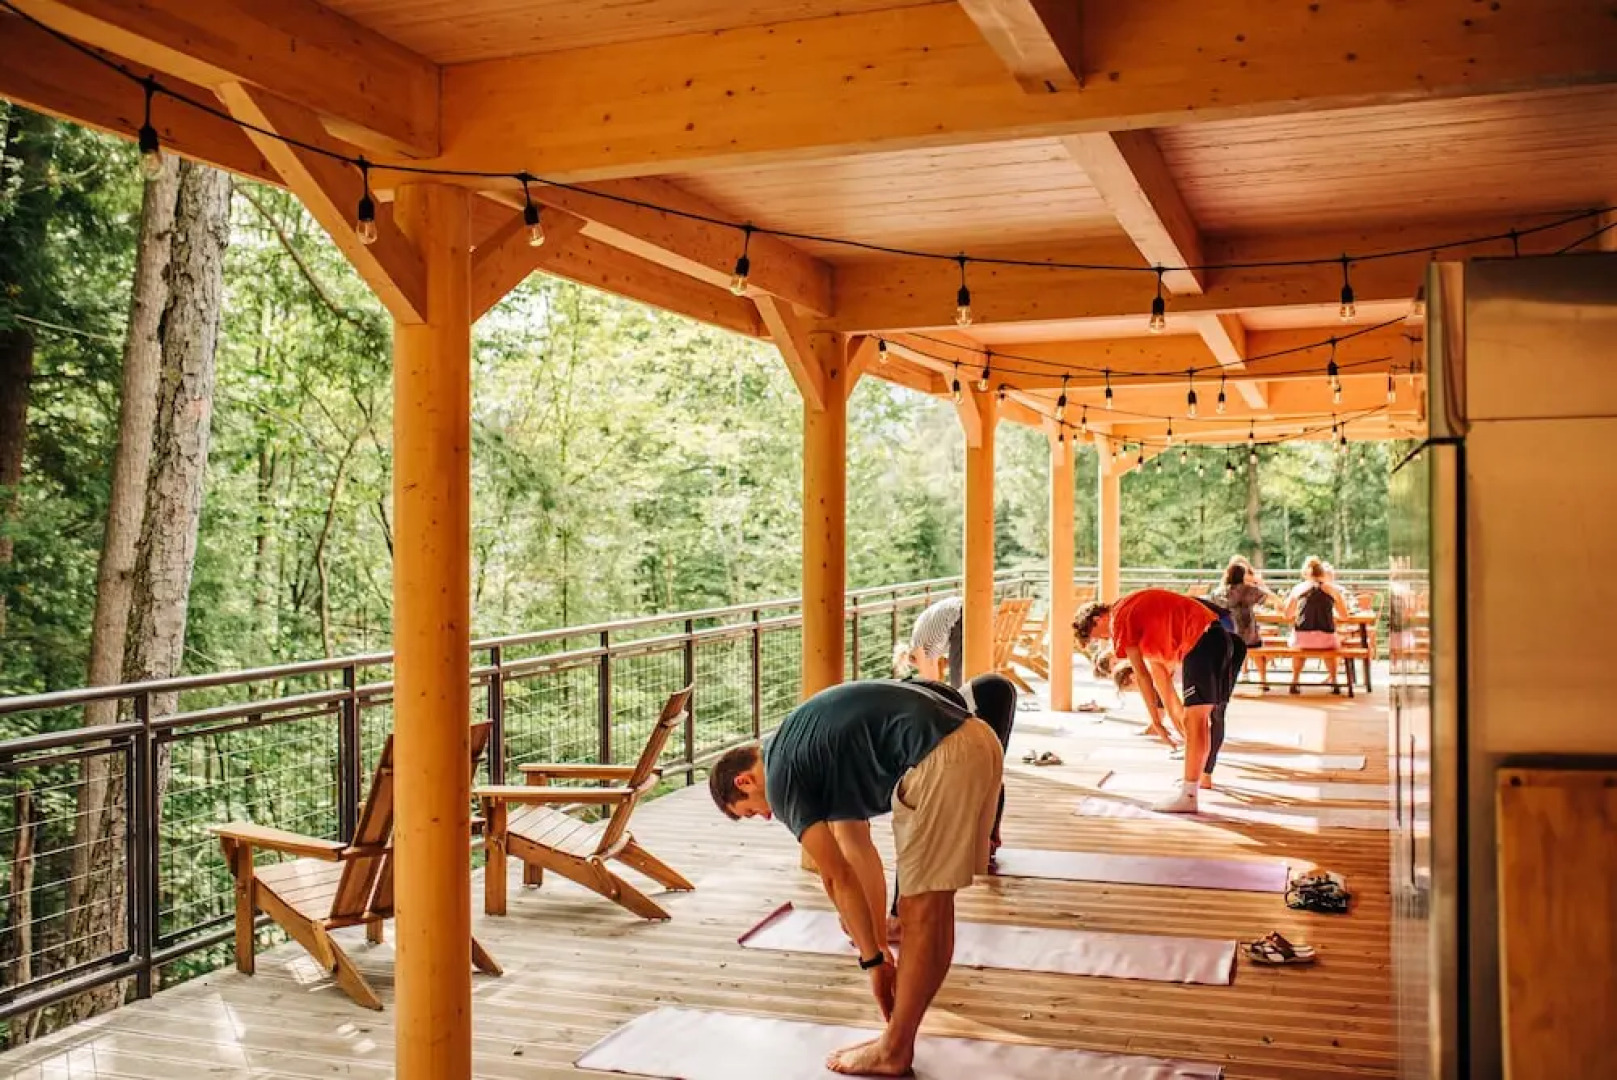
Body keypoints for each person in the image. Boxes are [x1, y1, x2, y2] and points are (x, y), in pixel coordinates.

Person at [708, 679, 1005, 1076]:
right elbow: (857, 855)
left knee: (923, 910)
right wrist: (878, 947)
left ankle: (895, 1049)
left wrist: (873, 964)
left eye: (750, 811)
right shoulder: (808, 749)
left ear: (744, 781)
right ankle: (897, 1038)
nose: (765, 816)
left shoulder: (781, 778)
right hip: (978, 740)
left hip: (943, 752)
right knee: (932, 905)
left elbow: (836, 878)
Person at [1074, 588, 1247, 813]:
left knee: (1196, 719)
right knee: (1198, 718)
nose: (1108, 641)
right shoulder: (1136, 614)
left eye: (1100, 635)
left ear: (1098, 618)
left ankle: (1189, 794)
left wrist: (1156, 722)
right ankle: (1195, 783)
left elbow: (1142, 675)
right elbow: (1157, 681)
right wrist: (1160, 721)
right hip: (1220, 640)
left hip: (1203, 641)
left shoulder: (1120, 617)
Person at [1283, 556, 1351, 694]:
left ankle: (1295, 681)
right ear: (1323, 573)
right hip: (1326, 640)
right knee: (1331, 647)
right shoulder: (1332, 590)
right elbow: (1345, 616)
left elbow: (1287, 615)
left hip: (1302, 639)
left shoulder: (1299, 588)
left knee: (1298, 645)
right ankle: (1334, 681)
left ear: (1306, 573)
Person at [1210, 556, 1277, 686]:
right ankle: (1263, 681)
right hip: (1248, 637)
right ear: (1242, 576)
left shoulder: (1218, 592)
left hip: (1227, 636)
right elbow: (1267, 598)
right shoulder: (1250, 590)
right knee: (1257, 645)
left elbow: (1212, 608)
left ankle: (1223, 682)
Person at [892, 595, 963, 687]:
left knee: (958, 679)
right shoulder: (929, 643)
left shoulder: (919, 647)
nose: (920, 668)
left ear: (912, 658)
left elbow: (932, 683)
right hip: (958, 608)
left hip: (957, 615)